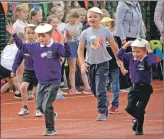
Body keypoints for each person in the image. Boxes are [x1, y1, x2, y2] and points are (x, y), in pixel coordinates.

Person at [6, 23, 71, 136]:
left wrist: (65, 43)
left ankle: (50, 129)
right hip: (41, 81)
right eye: (39, 36)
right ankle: (51, 114)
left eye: (44, 36)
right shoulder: (34, 47)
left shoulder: (56, 46)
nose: (41, 38)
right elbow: (22, 47)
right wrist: (15, 35)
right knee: (40, 107)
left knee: (46, 105)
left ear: (50, 35)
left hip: (53, 81)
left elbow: (67, 54)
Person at [78, 7, 121, 120]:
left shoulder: (105, 31)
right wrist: (82, 63)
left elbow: (113, 45)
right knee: (93, 89)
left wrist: (118, 58)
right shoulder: (85, 33)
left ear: (100, 19)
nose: (92, 19)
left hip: (103, 63)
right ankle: (104, 100)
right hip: (90, 64)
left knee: (100, 88)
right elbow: (80, 49)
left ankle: (102, 111)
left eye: (95, 17)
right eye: (90, 17)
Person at [116, 38, 157, 135]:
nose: (135, 54)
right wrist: (125, 46)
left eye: (138, 52)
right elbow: (119, 55)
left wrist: (149, 50)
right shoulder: (131, 57)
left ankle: (139, 128)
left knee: (140, 108)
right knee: (129, 108)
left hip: (145, 89)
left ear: (144, 51)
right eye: (134, 51)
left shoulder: (147, 59)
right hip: (134, 88)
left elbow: (153, 63)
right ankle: (139, 118)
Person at [11, 24, 42, 117]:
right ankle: (25, 107)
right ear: (25, 35)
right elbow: (17, 59)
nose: (30, 35)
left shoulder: (40, 46)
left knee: (36, 92)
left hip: (38, 72)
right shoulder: (23, 47)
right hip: (28, 72)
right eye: (28, 33)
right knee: (23, 87)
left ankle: (38, 109)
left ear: (37, 35)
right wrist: (13, 70)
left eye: (33, 33)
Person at [114, 1, 146, 90]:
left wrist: (142, 36)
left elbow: (139, 21)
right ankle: (123, 85)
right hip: (124, 37)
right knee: (124, 60)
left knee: (134, 61)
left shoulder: (137, 4)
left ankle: (132, 83)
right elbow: (119, 23)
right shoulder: (122, 5)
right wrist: (123, 38)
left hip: (135, 37)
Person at [0, 33, 24, 97]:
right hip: (8, 66)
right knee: (16, 82)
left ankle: (1, 91)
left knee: (10, 82)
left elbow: (2, 55)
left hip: (2, 66)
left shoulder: (8, 46)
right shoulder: (19, 47)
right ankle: (24, 95)